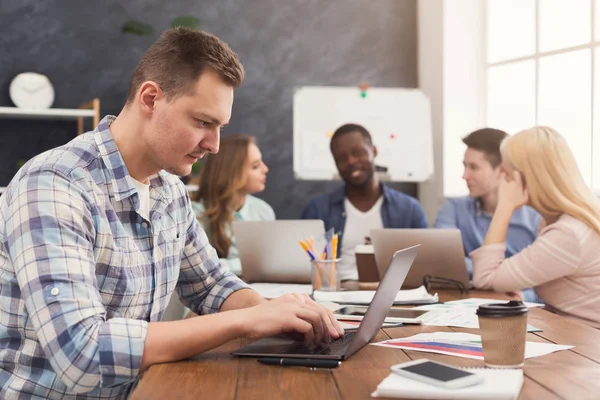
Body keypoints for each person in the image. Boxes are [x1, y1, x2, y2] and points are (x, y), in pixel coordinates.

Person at [0, 28, 342, 399]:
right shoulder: (54, 184)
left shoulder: (169, 191)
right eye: (202, 122)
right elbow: (82, 355)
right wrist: (248, 319)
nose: (214, 146)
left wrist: (280, 316)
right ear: (150, 98)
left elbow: (210, 285)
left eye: (220, 127)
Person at [471, 126, 600, 328]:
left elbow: (484, 278)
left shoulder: (569, 233)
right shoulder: (561, 219)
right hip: (569, 332)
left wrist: (504, 206)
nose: (502, 181)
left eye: (506, 173)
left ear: (528, 177)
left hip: (587, 345)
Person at [301, 123, 427, 281]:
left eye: (358, 153)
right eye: (341, 158)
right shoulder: (318, 209)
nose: (351, 161)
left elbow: (423, 265)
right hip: (334, 294)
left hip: (392, 294)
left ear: (374, 151)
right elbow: (303, 266)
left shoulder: (409, 209)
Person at [434, 128, 541, 301]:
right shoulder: (453, 208)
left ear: (501, 171)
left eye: (474, 167)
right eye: (464, 166)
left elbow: (548, 281)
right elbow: (442, 260)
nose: (465, 175)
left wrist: (523, 295)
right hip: (468, 301)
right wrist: (494, 275)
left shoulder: (536, 218)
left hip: (522, 306)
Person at [191, 134, 274, 276]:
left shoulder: (263, 210)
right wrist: (249, 264)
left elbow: (269, 262)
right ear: (231, 172)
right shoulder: (196, 212)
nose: (265, 169)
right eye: (255, 166)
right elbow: (201, 265)